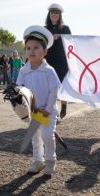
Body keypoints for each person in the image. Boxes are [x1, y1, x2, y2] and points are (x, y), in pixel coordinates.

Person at [16, 25, 60, 176]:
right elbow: (19, 89)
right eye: (28, 48)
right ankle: (38, 161)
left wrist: (47, 109)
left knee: (47, 135)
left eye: (36, 47)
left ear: (45, 51)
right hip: (33, 112)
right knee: (35, 137)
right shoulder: (23, 70)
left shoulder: (49, 70)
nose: (31, 51)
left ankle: (50, 161)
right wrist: (20, 106)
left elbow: (54, 91)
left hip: (48, 111)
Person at [44, 3, 71, 119]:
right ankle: (50, 112)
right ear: (49, 15)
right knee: (49, 88)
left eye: (56, 13)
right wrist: (50, 37)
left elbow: (71, 42)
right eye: (52, 13)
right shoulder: (44, 29)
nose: (54, 15)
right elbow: (41, 44)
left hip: (62, 62)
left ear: (59, 15)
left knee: (62, 86)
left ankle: (64, 105)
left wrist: (60, 36)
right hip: (48, 61)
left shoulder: (65, 28)